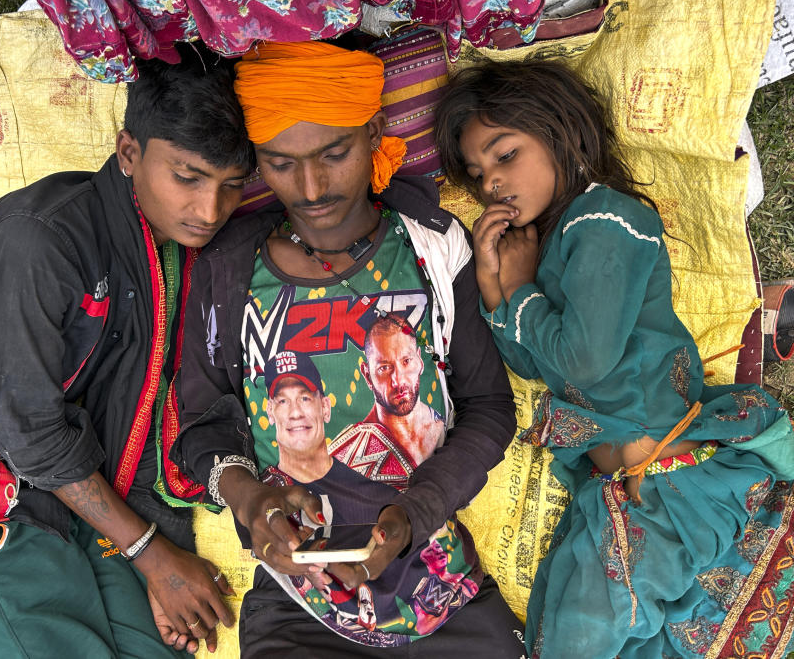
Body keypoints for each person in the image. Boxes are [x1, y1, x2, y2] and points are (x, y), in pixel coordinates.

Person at [0, 45, 255, 658]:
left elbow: (139, 414)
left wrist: (155, 551)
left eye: (231, 187)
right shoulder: (42, 241)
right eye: (187, 177)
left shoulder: (171, 250)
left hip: (61, 502)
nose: (209, 211)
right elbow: (22, 424)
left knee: (159, 647)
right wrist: (148, 554)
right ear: (128, 153)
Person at [171, 40, 526, 656]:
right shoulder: (229, 270)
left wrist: (415, 513)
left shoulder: (434, 247)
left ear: (374, 133)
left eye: (334, 153)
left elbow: (490, 408)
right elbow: (203, 425)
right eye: (280, 163)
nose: (310, 187)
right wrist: (252, 501)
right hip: (296, 607)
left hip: (440, 592)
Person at [434, 59, 794, 657]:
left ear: (561, 133)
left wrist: (520, 289)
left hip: (671, 489)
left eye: (505, 155)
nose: (491, 184)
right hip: (625, 501)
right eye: (476, 174)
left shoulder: (608, 220)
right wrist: (498, 289)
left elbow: (583, 362)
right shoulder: (552, 245)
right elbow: (532, 364)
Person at [330, 314, 445, 485]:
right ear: (367, 375)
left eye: (406, 361)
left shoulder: (443, 427)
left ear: (420, 361)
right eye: (384, 368)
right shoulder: (349, 453)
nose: (398, 380)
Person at [264, 350, 334, 482]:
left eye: (305, 398)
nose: (295, 413)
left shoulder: (363, 489)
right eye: (283, 401)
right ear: (270, 412)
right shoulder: (260, 490)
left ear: (325, 407)